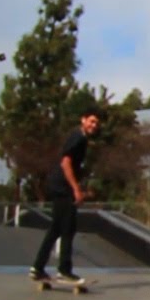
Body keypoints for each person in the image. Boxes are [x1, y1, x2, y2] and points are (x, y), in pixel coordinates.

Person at [30, 108, 101, 284]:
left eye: (97, 123)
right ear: (83, 120)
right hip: (62, 187)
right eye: (91, 121)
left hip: (58, 185)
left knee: (56, 228)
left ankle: (37, 268)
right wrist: (75, 189)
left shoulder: (81, 138)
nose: (94, 125)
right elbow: (66, 163)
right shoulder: (78, 137)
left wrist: (80, 188)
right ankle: (64, 270)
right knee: (68, 227)